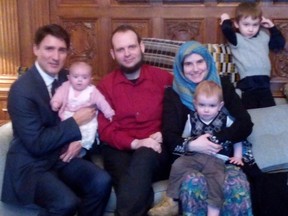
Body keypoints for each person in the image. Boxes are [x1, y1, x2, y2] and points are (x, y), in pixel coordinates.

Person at [1, 24, 112, 216]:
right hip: (31, 165)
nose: (55, 56)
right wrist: (74, 123)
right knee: (65, 202)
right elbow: (36, 144)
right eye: (49, 48)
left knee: (101, 181)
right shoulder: (21, 90)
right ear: (36, 49)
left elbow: (90, 110)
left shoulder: (68, 77)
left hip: (60, 157)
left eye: (61, 50)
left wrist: (77, 141)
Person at [149, 40, 255, 216]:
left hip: (224, 157)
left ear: (208, 62)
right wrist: (193, 144)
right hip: (191, 159)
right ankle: (172, 201)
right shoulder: (173, 94)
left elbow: (245, 124)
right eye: (188, 64)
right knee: (193, 182)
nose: (195, 68)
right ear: (180, 68)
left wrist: (218, 138)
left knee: (236, 184)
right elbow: (170, 136)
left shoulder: (223, 86)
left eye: (200, 61)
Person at [97, 24, 173, 216]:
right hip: (119, 150)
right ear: (113, 54)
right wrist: (136, 142)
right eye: (121, 49)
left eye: (131, 47)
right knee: (129, 184)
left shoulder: (164, 79)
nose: (127, 53)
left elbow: (180, 116)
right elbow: (105, 130)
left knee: (145, 154)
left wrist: (164, 134)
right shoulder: (105, 86)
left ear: (142, 47)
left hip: (157, 150)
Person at [149, 80, 246, 216]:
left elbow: (237, 136)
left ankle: (214, 211)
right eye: (202, 105)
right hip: (195, 156)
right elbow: (183, 139)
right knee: (177, 165)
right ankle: (171, 200)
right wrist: (186, 147)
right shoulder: (191, 119)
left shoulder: (225, 119)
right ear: (195, 104)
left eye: (211, 105)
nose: (206, 109)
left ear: (220, 106)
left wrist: (237, 156)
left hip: (216, 158)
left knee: (216, 179)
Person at [220, 2, 285, 109]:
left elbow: (278, 44)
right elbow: (226, 29)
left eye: (255, 25)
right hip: (247, 83)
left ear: (260, 23)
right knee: (250, 111)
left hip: (265, 82)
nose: (251, 29)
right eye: (246, 24)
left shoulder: (263, 36)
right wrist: (226, 19)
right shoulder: (237, 39)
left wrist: (272, 27)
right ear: (237, 24)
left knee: (270, 110)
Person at [51, 61, 115, 157]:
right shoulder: (66, 87)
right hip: (68, 115)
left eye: (84, 77)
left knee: (88, 132)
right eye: (76, 77)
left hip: (87, 119)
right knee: (65, 132)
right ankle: (67, 148)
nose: (80, 80)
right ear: (69, 78)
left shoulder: (92, 91)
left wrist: (108, 112)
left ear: (90, 79)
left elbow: (101, 102)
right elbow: (58, 94)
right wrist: (55, 102)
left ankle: (83, 147)